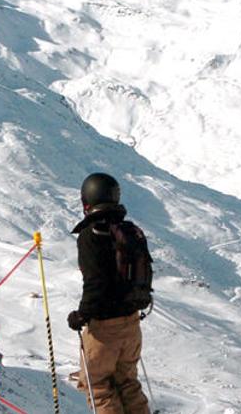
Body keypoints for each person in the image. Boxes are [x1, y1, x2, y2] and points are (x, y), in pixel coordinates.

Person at [67, 173, 150, 414]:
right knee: (128, 383)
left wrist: (81, 315)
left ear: (87, 201)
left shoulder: (91, 235)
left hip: (104, 329)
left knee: (98, 387)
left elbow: (95, 282)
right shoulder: (128, 231)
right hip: (131, 323)